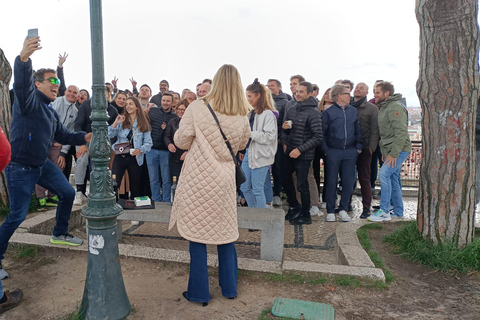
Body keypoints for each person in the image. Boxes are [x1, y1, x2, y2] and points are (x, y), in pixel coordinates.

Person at [0, 36, 93, 314]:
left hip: (41, 164)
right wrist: (24, 59)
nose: (57, 86)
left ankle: (59, 232)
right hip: (19, 167)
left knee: (66, 192)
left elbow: (63, 134)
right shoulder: (27, 102)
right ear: (38, 85)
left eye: (58, 82)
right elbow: (22, 82)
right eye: (51, 81)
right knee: (16, 215)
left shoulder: (50, 112)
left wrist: (84, 135)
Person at [169, 64, 250, 306]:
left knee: (197, 234)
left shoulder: (197, 106)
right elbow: (243, 143)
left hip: (198, 177)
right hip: (224, 179)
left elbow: (181, 140)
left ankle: (199, 293)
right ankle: (230, 288)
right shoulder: (242, 114)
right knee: (225, 233)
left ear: (215, 82)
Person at [368, 81, 411, 222]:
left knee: (384, 175)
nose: (375, 95)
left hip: (398, 150)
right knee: (393, 178)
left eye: (378, 92)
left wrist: (393, 154)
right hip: (391, 150)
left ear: (387, 93)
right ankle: (398, 212)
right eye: (374, 92)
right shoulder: (385, 107)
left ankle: (385, 211)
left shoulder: (394, 108)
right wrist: (387, 154)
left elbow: (400, 133)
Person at [282, 81, 323, 225]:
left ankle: (306, 215)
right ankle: (294, 206)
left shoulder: (314, 112)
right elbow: (286, 129)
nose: (297, 94)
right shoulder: (292, 108)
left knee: (302, 185)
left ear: (310, 94)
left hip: (303, 155)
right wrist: (285, 132)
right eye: (297, 91)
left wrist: (300, 149)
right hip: (290, 152)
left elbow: (318, 136)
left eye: (301, 92)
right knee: (284, 178)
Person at [322, 84, 363, 223]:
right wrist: (326, 151)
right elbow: (322, 133)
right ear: (339, 95)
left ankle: (343, 209)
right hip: (333, 152)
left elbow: (358, 129)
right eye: (347, 93)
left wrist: (358, 147)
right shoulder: (328, 113)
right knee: (331, 182)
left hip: (350, 152)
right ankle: (330, 210)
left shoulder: (353, 111)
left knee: (348, 182)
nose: (349, 95)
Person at [240, 79, 277, 209]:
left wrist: (250, 133)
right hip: (249, 153)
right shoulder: (250, 113)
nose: (247, 99)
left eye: (249, 96)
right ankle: (255, 212)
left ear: (258, 96)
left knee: (257, 189)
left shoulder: (267, 115)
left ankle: (260, 218)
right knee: (244, 186)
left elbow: (270, 137)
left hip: (261, 156)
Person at [108, 96, 152, 201]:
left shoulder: (143, 122)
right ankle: (112, 205)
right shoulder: (122, 120)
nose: (128, 106)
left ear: (137, 107)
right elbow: (110, 134)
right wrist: (115, 123)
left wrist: (140, 150)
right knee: (114, 183)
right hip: (120, 155)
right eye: (126, 104)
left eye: (130, 104)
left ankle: (134, 211)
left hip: (135, 158)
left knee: (135, 187)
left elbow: (149, 143)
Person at [349, 83, 379, 219]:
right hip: (349, 147)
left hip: (365, 148)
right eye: (357, 87)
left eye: (361, 88)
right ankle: (346, 203)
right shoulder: (347, 105)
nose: (358, 89)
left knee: (364, 178)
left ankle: (366, 207)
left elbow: (375, 129)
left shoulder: (372, 108)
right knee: (347, 178)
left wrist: (371, 148)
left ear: (367, 93)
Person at [147, 92, 178, 202]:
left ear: (172, 102)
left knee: (166, 179)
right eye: (164, 100)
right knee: (153, 178)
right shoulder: (152, 111)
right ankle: (156, 200)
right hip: (152, 150)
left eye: (168, 101)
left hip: (165, 151)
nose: (165, 103)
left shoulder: (174, 117)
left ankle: (166, 200)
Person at [267, 79, 289, 207]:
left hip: (278, 141)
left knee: (278, 169)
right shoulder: (265, 100)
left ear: (279, 87)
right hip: (265, 141)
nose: (270, 88)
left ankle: (277, 193)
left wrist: (281, 138)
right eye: (268, 86)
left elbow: (284, 122)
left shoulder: (284, 102)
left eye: (272, 86)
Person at [164, 99, 190, 180]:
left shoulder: (192, 123)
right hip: (174, 157)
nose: (180, 111)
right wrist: (169, 144)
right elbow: (166, 136)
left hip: (187, 157)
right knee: (175, 181)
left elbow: (195, 140)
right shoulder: (172, 122)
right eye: (179, 109)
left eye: (183, 110)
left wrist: (188, 152)